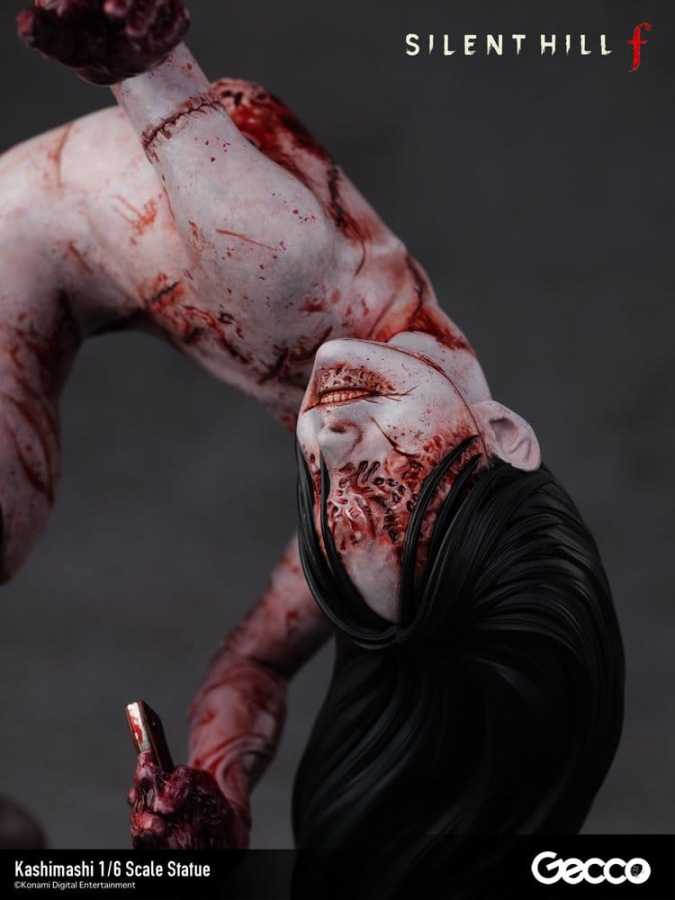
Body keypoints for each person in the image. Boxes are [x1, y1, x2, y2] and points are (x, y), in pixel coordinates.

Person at [2, 2, 622, 882]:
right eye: (388, 478)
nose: (327, 441)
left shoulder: (367, 545)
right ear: (500, 434)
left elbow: (255, 661)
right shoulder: (294, 279)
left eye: (332, 498)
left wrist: (221, 787)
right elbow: (155, 80)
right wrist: (138, 55)